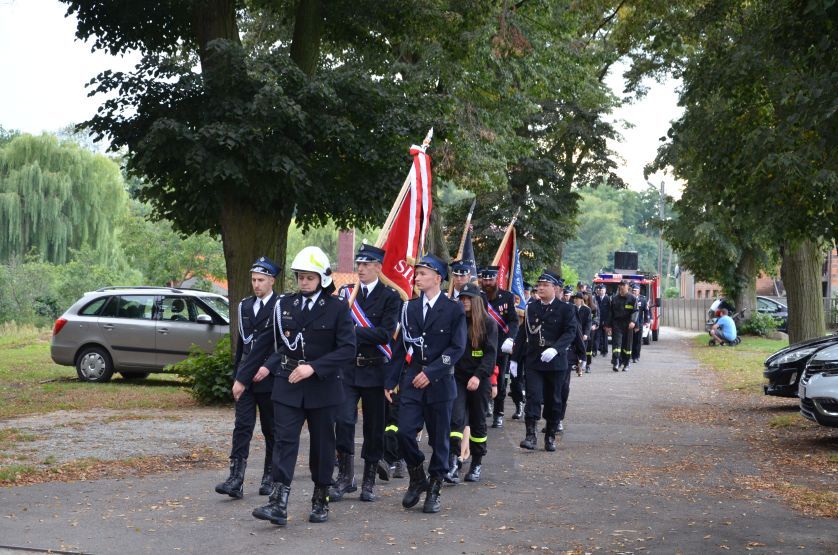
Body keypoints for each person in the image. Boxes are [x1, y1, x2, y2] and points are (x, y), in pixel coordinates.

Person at [252, 246, 355, 526]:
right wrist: (251, 371)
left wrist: (315, 367)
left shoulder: (337, 308)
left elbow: (347, 349)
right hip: (288, 384)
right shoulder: (285, 305)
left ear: (321, 278)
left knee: (323, 446)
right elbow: (273, 344)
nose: (304, 282)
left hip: (323, 387)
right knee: (283, 442)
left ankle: (320, 498)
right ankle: (278, 502)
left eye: (309, 277)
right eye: (300, 277)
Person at [385, 254, 467, 514]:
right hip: (412, 379)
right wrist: (390, 380)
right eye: (416, 273)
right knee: (405, 433)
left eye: (422, 273)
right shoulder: (408, 308)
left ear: (438, 278)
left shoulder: (453, 309)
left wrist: (432, 372)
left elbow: (457, 347)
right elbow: (400, 347)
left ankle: (435, 486)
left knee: (440, 439)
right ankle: (417, 475)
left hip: (440, 382)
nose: (416, 277)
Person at [331, 244, 401, 502]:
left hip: (375, 369)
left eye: (366, 264)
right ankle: (345, 477)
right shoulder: (347, 293)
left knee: (374, 427)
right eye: (358, 264)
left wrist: (352, 331)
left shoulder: (390, 297)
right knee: (344, 420)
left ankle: (369, 480)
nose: (360, 269)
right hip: (349, 369)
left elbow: (385, 333)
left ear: (377, 267)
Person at [215, 256, 280, 500]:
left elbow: (282, 344)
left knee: (271, 428)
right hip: (245, 375)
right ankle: (236, 478)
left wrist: (270, 367)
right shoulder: (243, 306)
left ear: (272, 281)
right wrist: (237, 375)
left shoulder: (280, 306)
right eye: (253, 280)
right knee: (242, 426)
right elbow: (241, 346)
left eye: (261, 280)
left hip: (268, 376)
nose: (256, 284)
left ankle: (270, 476)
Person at [511, 270, 577, 452]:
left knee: (554, 399)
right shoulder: (531, 307)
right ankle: (530, 436)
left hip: (556, 362)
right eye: (539, 285)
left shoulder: (566, 309)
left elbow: (570, 332)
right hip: (534, 360)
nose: (540, 288)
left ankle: (550, 436)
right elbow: (523, 333)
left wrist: (556, 349)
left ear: (555, 288)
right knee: (533, 396)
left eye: (545, 285)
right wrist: (515, 358)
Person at [445, 282, 497, 484]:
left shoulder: (488, 323)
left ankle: (476, 463)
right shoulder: (456, 321)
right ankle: (453, 462)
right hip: (457, 377)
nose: (465, 301)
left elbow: (490, 356)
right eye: (462, 298)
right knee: (455, 419)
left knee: (478, 422)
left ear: (476, 301)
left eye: (468, 298)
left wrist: (478, 376)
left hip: (479, 379)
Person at [479, 266, 521, 428]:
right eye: (485, 279)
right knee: (482, 378)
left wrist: (510, 338)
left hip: (500, 346)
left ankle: (499, 413)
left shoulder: (507, 297)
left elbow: (513, 321)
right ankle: (483, 408)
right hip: (480, 344)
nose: (488, 283)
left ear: (497, 280)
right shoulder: (478, 296)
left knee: (501, 382)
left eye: (491, 279)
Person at [604, 280, 639, 372]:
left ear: (628, 287)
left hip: (628, 325)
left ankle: (626, 363)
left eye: (624, 285)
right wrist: (608, 325)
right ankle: (616, 362)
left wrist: (633, 321)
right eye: (621, 285)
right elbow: (610, 313)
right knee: (616, 344)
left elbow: (635, 311)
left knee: (627, 346)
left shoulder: (633, 299)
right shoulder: (614, 299)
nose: (622, 287)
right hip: (617, 324)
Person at [631, 283, 651, 363]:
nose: (634, 292)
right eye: (633, 290)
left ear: (639, 291)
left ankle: (636, 356)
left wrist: (646, 321)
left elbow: (646, 311)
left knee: (638, 341)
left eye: (635, 291)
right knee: (630, 340)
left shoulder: (643, 299)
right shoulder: (629, 298)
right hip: (631, 323)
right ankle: (630, 356)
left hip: (639, 322)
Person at [582, 291, 599, 373]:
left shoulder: (593, 307)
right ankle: (579, 364)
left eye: (586, 294)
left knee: (589, 348)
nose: (584, 296)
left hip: (590, 330)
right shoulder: (579, 306)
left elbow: (596, 317)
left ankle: (588, 365)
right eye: (583, 294)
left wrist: (595, 324)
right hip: (581, 329)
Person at [593, 284, 611, 357]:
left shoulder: (608, 299)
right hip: (597, 320)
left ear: (605, 291)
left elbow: (610, 311)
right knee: (596, 336)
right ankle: (595, 350)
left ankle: (605, 351)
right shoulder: (595, 298)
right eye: (599, 290)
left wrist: (607, 322)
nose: (600, 291)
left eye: (602, 290)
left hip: (605, 320)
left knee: (604, 337)